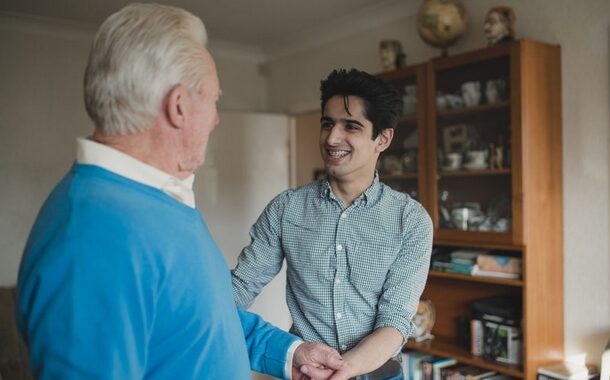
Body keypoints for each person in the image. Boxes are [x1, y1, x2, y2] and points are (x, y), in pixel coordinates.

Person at [16, 4, 344, 380]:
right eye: (214, 100)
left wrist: (290, 352)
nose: (217, 118)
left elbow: (202, 317)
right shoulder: (91, 238)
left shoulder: (158, 199)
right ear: (179, 106)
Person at [232, 69, 433, 378]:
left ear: (383, 138)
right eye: (327, 123)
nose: (332, 137)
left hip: (378, 374)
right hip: (306, 372)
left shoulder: (411, 220)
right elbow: (240, 287)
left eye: (350, 126)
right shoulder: (286, 209)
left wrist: (341, 371)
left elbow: (395, 319)